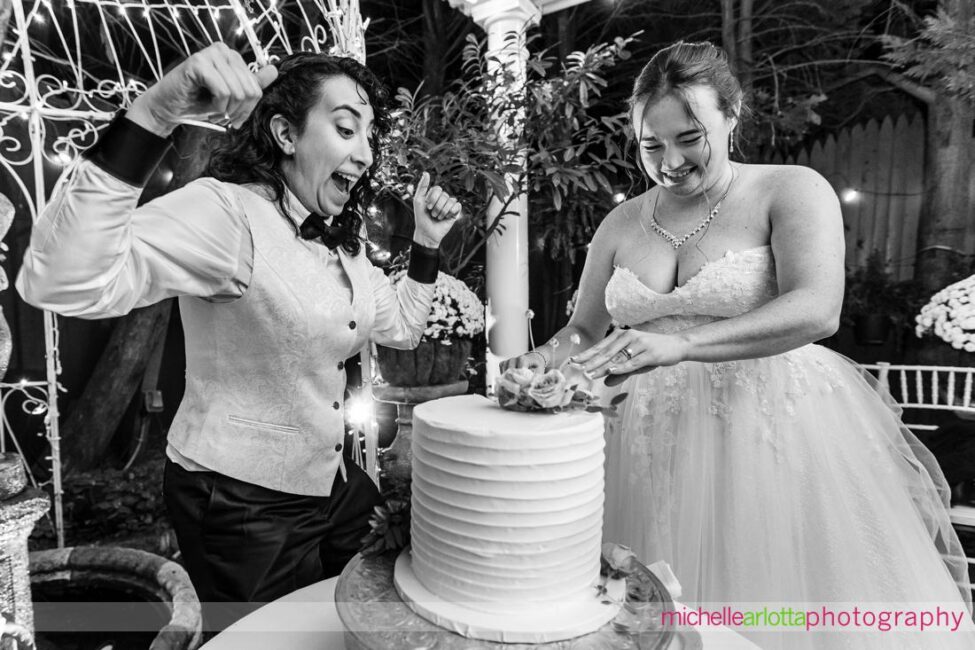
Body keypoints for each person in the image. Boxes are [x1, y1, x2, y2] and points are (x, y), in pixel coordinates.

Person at [503, 41, 972, 649]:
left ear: (732, 114)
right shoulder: (620, 224)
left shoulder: (791, 189)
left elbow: (817, 308)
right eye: (651, 145)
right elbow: (583, 330)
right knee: (641, 604)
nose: (669, 160)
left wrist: (684, 344)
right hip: (640, 437)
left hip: (769, 430)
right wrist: (543, 357)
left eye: (688, 137)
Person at [16, 43, 462, 632]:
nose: (366, 153)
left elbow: (403, 328)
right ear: (283, 132)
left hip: (339, 486)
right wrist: (155, 113)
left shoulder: (343, 246)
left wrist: (427, 244)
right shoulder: (226, 216)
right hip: (242, 505)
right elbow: (62, 278)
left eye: (371, 135)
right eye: (347, 128)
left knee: (347, 628)